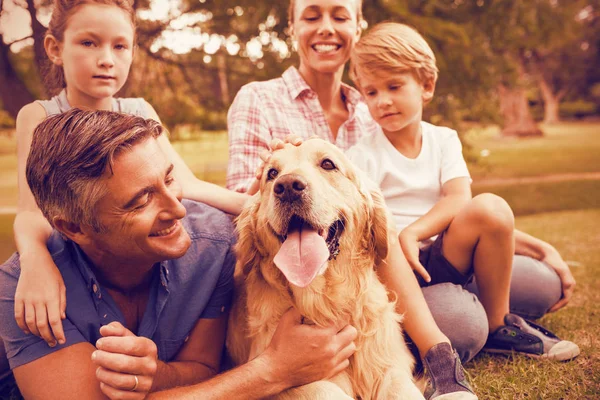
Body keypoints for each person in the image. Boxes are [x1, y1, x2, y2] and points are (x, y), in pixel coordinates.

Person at [226, 0, 576, 395]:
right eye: (310, 16)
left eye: (339, 16)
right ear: (291, 27)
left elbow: (443, 200)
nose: (326, 27)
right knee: (463, 322)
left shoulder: (370, 106)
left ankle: (485, 311)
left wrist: (529, 243)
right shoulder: (260, 98)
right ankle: (452, 328)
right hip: (381, 264)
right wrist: (270, 177)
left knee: (544, 284)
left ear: (358, 26)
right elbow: (246, 202)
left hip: (417, 251)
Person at [0, 109, 357, 399]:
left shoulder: (213, 247)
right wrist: (273, 370)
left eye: (169, 180)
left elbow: (201, 369)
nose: (178, 209)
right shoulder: (26, 292)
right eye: (141, 200)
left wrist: (155, 375)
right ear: (75, 228)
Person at [12, 0, 247, 349]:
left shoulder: (137, 111)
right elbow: (31, 212)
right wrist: (35, 261)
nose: (107, 58)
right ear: (54, 48)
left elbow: (188, 185)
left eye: (120, 46)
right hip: (83, 260)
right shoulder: (40, 116)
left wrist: (256, 203)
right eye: (89, 43)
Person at [346, 21, 580, 361]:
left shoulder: (443, 140)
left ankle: (499, 325)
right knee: (462, 317)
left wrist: (414, 233)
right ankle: (449, 320)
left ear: (426, 86)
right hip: (399, 272)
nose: (382, 101)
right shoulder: (361, 156)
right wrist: (402, 240)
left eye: (394, 86)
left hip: (446, 253)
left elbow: (458, 199)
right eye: (371, 92)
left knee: (492, 208)